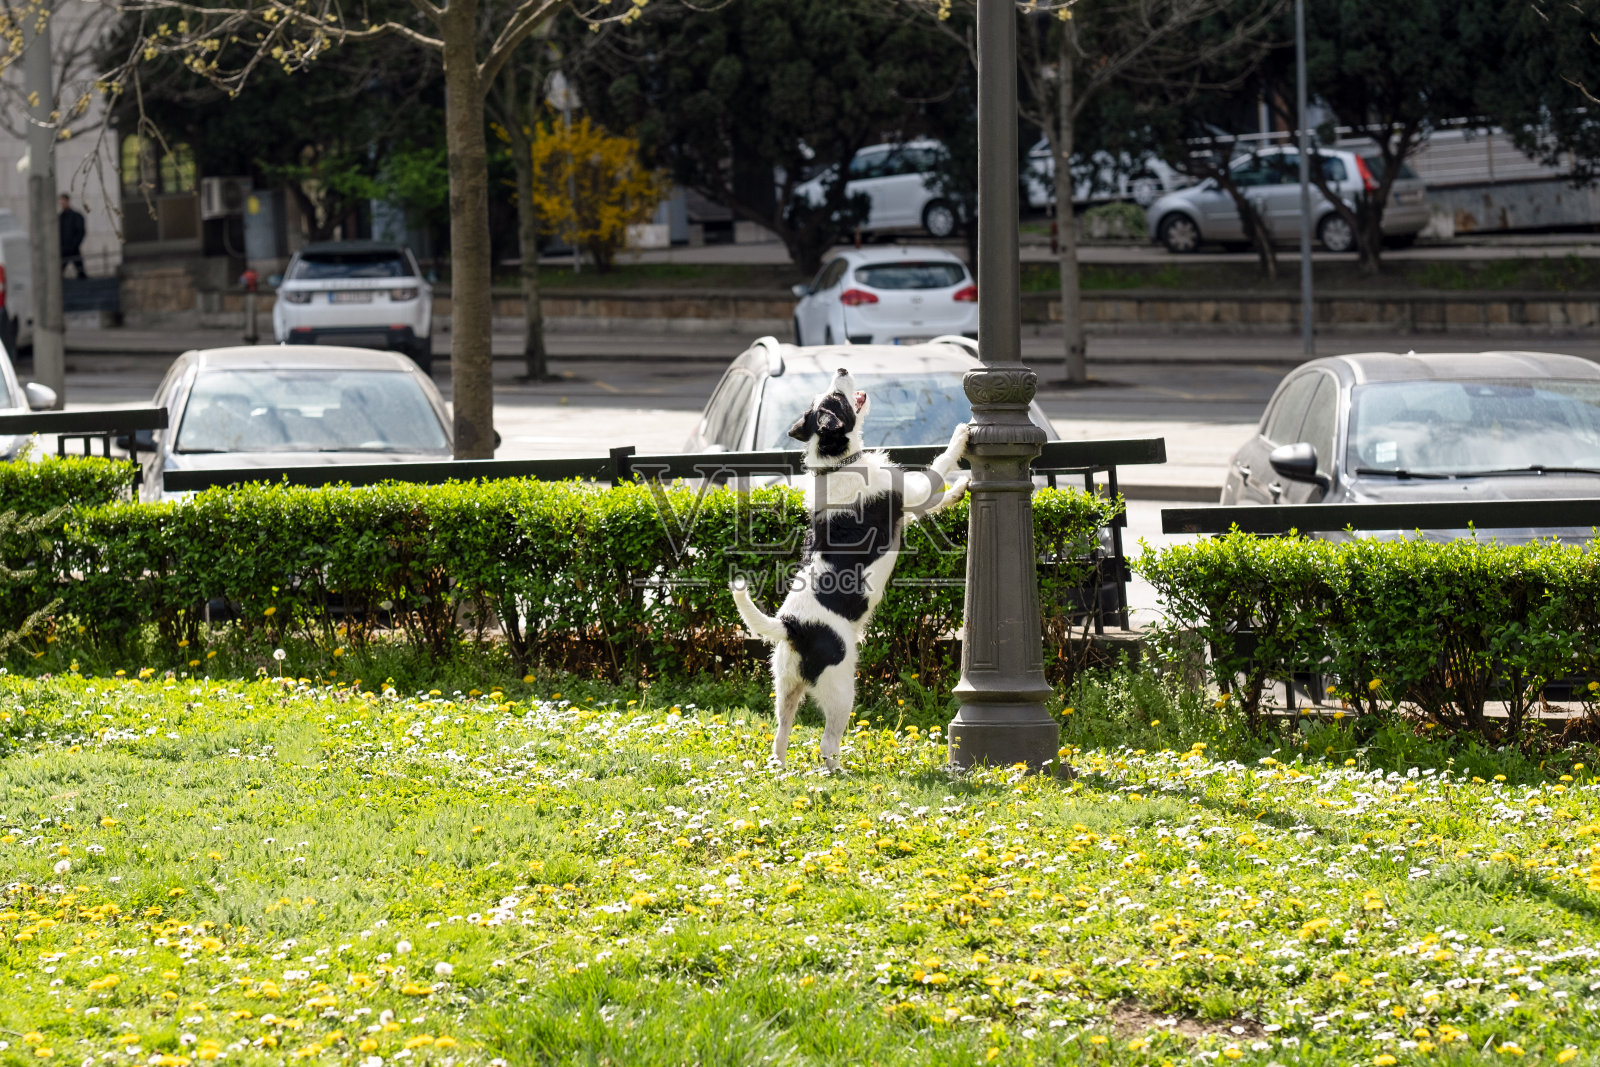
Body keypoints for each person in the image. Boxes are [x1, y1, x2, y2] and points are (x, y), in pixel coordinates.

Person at [59, 193, 86, 279]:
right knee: (59, 271)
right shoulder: (60, 217)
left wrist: (74, 244)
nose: (62, 204)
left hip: (73, 248)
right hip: (64, 249)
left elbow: (81, 231)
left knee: (80, 271)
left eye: (63, 202)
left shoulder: (76, 216)